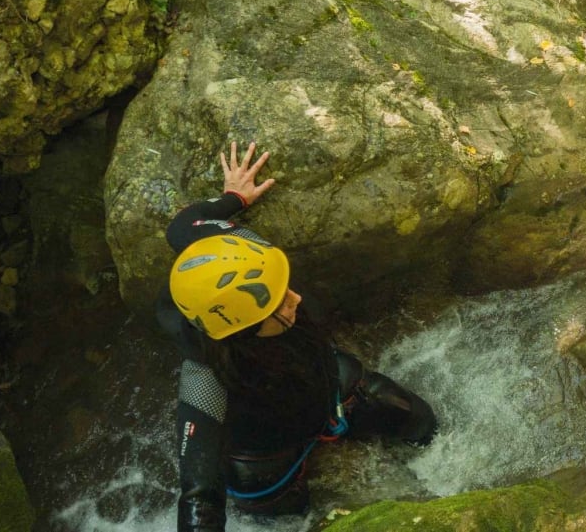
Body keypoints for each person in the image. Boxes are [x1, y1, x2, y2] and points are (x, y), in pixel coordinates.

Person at [158, 141, 437, 531]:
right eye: (278, 303)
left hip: (326, 384)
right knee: (295, 516)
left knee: (419, 421)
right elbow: (199, 498)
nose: (296, 298)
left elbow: (182, 226)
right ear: (243, 332)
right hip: (266, 462)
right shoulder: (205, 379)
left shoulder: (238, 256)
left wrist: (232, 198)